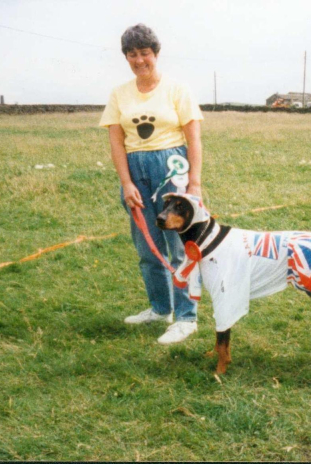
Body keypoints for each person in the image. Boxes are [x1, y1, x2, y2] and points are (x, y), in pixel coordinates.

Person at [99, 23, 203, 345]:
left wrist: (194, 184)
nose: (139, 59)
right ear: (126, 57)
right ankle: (160, 309)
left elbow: (194, 139)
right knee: (148, 247)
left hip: (171, 169)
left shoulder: (177, 90)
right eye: (132, 54)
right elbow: (117, 143)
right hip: (136, 170)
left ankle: (187, 318)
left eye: (145, 53)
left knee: (179, 248)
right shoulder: (119, 94)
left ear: (155, 54)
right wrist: (126, 182)